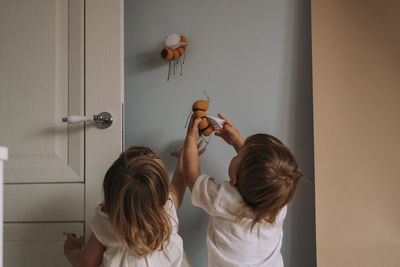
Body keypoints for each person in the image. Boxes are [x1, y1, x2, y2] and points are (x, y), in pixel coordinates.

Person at [183, 114, 303, 266]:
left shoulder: (224, 198)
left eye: (240, 155)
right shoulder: (277, 203)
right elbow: (258, 170)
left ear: (234, 179)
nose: (239, 152)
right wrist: (237, 140)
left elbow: (191, 176)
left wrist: (190, 139)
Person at [64, 144, 205, 267]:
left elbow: (87, 263)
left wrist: (71, 250)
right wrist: (185, 156)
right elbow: (178, 184)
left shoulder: (107, 221)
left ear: (111, 196)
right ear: (161, 194)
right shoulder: (166, 211)